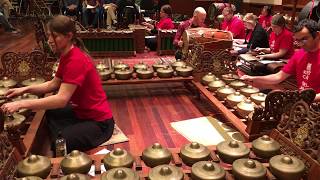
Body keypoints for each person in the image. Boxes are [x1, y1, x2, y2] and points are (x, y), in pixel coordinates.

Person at [1, 15, 115, 153]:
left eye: (54, 36)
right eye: (49, 36)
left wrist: (20, 104)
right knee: (51, 113)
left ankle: (63, 136)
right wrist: (24, 90)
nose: (50, 41)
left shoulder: (76, 60)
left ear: (68, 36)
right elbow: (53, 84)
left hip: (100, 122)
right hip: (82, 112)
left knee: (60, 143)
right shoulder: (66, 55)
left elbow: (61, 99)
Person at [241, 19, 320, 101]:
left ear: (317, 35)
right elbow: (278, 76)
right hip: (302, 101)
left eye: (304, 39)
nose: (301, 44)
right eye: (298, 40)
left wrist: (303, 99)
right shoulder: (300, 54)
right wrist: (253, 78)